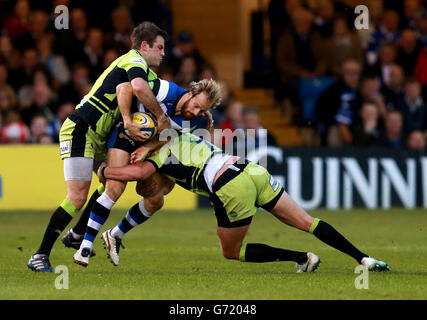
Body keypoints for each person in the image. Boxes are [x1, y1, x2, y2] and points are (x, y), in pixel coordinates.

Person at [98, 132, 390, 272]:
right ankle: (364, 259)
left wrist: (104, 170)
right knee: (307, 221)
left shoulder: (158, 157)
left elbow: (139, 173)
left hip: (229, 186)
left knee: (231, 251)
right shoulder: (182, 136)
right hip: (250, 169)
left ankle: (302, 258)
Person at [27, 21, 171, 272]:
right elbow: (136, 88)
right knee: (77, 196)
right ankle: (39, 255)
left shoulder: (147, 73)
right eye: (159, 47)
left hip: (100, 136)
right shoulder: (133, 61)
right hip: (81, 128)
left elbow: (155, 91)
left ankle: (76, 235)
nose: (163, 53)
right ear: (144, 46)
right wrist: (161, 118)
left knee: (112, 184)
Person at [71, 78, 221, 266]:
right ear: (190, 94)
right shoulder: (165, 90)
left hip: (147, 145)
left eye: (202, 110)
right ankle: (85, 246)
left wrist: (147, 147)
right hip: (126, 134)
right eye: (196, 106)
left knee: (156, 199)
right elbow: (124, 86)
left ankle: (115, 234)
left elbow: (170, 136)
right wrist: (127, 120)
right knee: (115, 189)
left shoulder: (194, 119)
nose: (196, 112)